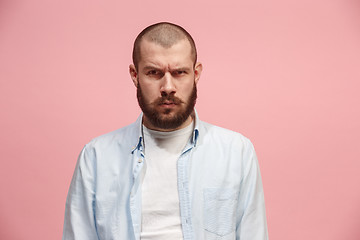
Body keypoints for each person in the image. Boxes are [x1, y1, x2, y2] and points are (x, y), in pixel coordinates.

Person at [62, 22, 268, 240]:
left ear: (196, 74)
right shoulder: (96, 157)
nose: (168, 87)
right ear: (135, 75)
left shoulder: (237, 152)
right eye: (154, 72)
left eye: (179, 72)